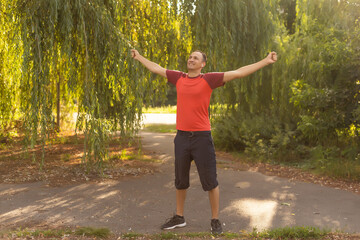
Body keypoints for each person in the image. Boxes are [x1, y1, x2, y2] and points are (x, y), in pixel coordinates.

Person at [131, 49, 277, 234]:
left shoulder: (209, 79)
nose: (191, 59)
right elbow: (156, 68)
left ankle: (215, 220)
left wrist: (265, 61)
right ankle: (179, 217)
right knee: (180, 180)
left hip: (202, 138)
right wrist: (138, 57)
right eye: (190, 57)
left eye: (195, 58)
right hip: (182, 138)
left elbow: (239, 72)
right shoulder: (179, 77)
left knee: (210, 181)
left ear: (203, 64)